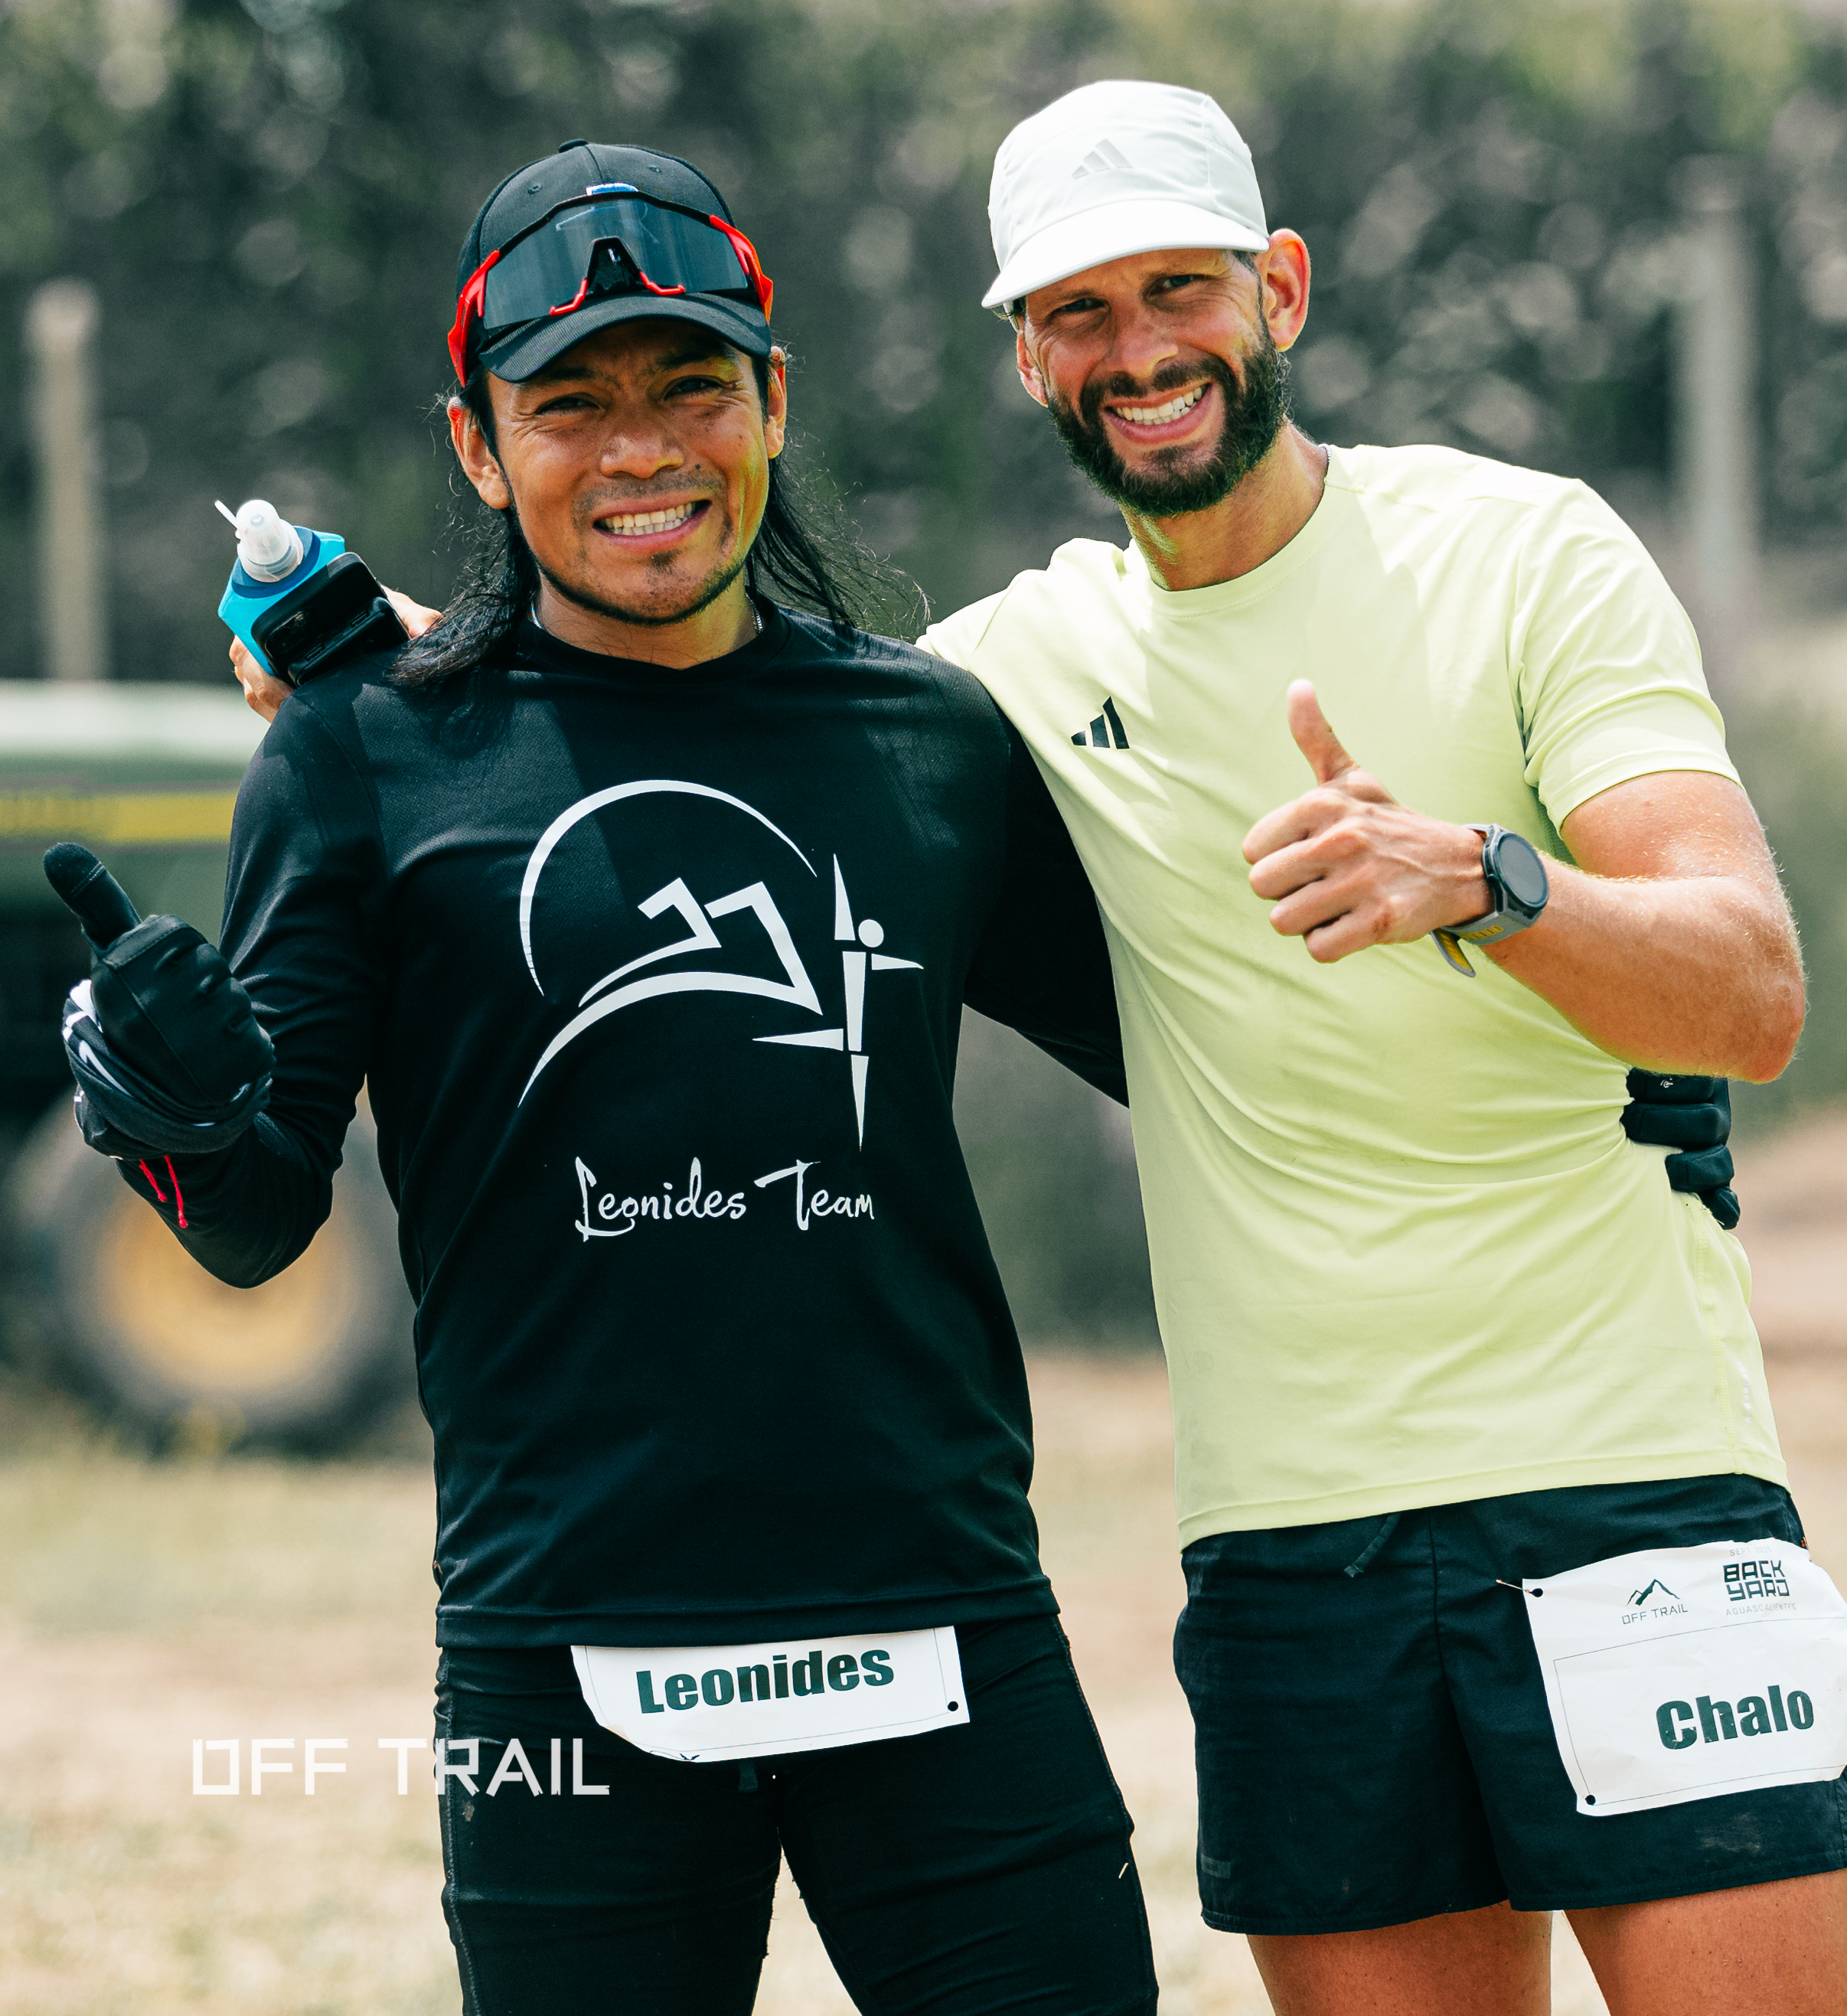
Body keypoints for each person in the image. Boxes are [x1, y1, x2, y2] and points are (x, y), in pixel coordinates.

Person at [58, 141, 1159, 2016]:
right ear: (481, 448)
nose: (639, 448)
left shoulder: (929, 738)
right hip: (560, 1656)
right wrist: (172, 1110)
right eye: (567, 404)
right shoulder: (360, 757)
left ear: (772, 402)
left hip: (943, 1619)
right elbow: (250, 1227)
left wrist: (1558, 1034)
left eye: (688, 386)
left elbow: (1194, 1052)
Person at [910, 80, 1847, 2016]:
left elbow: (1748, 991)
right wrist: (395, 661)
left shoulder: (1522, 549)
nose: (1134, 348)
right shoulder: (1004, 667)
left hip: (1629, 1477)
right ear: (1024, 355)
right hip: (1292, 1535)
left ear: (1279, 287)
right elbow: (697, 729)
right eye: (1077, 310)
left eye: (1177, 288)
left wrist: (1486, 878)